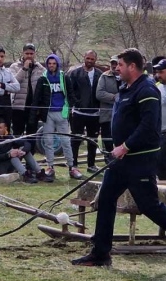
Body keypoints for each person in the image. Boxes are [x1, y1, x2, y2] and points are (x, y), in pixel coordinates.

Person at [71, 48, 166, 269]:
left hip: (139, 160)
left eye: (120, 65)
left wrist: (126, 146)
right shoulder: (126, 88)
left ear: (132, 66)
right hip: (120, 159)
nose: (116, 68)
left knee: (149, 205)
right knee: (106, 199)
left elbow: (149, 126)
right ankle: (101, 253)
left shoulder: (147, 90)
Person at [36, 53, 81, 182]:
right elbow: (37, 97)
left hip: (62, 112)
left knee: (66, 142)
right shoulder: (43, 78)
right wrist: (37, 113)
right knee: (48, 141)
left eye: (54, 63)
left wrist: (74, 104)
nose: (51, 66)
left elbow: (70, 94)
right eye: (49, 64)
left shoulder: (64, 77)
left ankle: (72, 167)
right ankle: (50, 166)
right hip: (48, 113)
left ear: (57, 64)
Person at [66, 50, 104, 170]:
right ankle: (74, 165)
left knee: (92, 140)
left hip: (95, 113)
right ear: (84, 58)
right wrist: (76, 103)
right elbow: (70, 91)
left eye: (92, 59)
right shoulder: (75, 73)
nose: (89, 61)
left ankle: (91, 165)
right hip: (79, 112)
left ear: (95, 60)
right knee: (76, 139)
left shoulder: (100, 74)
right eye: (88, 58)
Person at [0, 117, 39, 184]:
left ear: (5, 128)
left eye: (0, 127)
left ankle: (39, 172)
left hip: (9, 164)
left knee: (25, 152)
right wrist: (9, 155)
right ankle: (25, 174)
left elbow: (26, 143)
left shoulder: (9, 137)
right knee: (13, 156)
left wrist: (23, 151)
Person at [8, 43, 45, 143]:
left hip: (33, 108)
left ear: (35, 54)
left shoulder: (40, 68)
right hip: (18, 106)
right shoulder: (14, 66)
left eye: (31, 53)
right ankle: (16, 156)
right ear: (22, 53)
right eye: (27, 53)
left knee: (31, 134)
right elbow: (12, 83)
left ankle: (30, 156)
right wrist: (24, 68)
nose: (29, 56)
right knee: (17, 134)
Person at [95, 56, 120, 161]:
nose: (114, 66)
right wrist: (114, 97)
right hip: (107, 115)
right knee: (107, 140)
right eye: (112, 63)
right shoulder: (104, 77)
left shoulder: (126, 77)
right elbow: (99, 94)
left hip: (122, 115)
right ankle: (108, 160)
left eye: (117, 63)